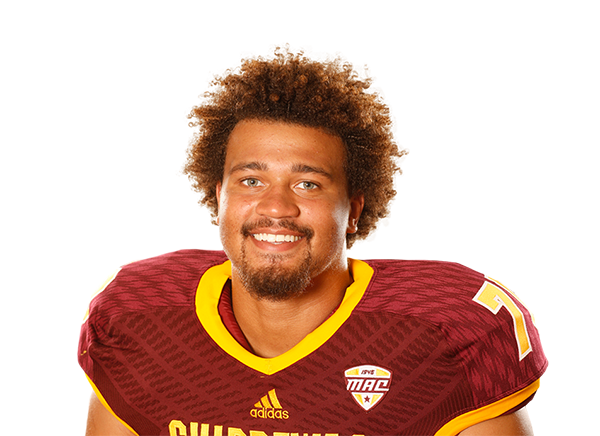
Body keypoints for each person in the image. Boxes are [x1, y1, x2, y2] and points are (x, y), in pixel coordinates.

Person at [78, 58, 546, 436]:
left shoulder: (438, 330)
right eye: (251, 180)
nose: (276, 207)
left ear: (353, 210)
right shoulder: (141, 316)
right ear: (219, 199)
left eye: (308, 184)